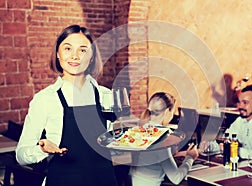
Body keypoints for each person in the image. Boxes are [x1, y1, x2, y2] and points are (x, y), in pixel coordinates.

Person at [15, 25, 118, 186]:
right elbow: (21, 155)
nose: (75, 56)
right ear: (58, 53)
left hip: (104, 180)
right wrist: (41, 149)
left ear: (91, 57)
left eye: (83, 50)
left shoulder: (107, 96)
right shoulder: (45, 99)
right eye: (68, 48)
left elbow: (111, 144)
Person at [130, 92, 199, 186]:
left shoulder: (141, 130)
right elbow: (176, 178)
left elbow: (153, 157)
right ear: (167, 112)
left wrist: (177, 153)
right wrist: (190, 158)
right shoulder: (162, 138)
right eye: (173, 111)